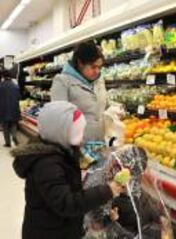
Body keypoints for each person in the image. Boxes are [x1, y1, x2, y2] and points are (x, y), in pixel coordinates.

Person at [12, 101, 126, 239]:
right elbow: (66, 203)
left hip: (59, 227)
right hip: (49, 233)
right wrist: (107, 190)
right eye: (78, 130)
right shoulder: (47, 164)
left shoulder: (60, 150)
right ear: (59, 131)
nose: (82, 135)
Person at [51, 41, 107, 142]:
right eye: (93, 67)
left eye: (99, 67)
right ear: (80, 63)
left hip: (100, 142)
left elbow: (103, 103)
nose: (97, 71)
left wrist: (117, 108)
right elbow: (59, 118)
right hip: (78, 145)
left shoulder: (99, 80)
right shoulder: (63, 81)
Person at [0, 67, 21, 147]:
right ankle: (14, 136)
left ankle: (8, 143)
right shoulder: (15, 86)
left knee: (5, 126)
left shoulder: (1, 86)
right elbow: (19, 97)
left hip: (3, 109)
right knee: (13, 124)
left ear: (3, 76)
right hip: (14, 109)